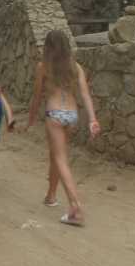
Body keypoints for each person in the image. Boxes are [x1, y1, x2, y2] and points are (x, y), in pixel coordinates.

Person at [25, 30, 100, 226]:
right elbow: (85, 95)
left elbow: (36, 97)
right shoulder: (76, 67)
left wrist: (31, 119)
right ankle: (50, 195)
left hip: (55, 115)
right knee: (55, 156)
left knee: (60, 159)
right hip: (71, 116)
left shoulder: (43, 67)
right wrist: (92, 119)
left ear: (48, 47)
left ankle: (75, 207)